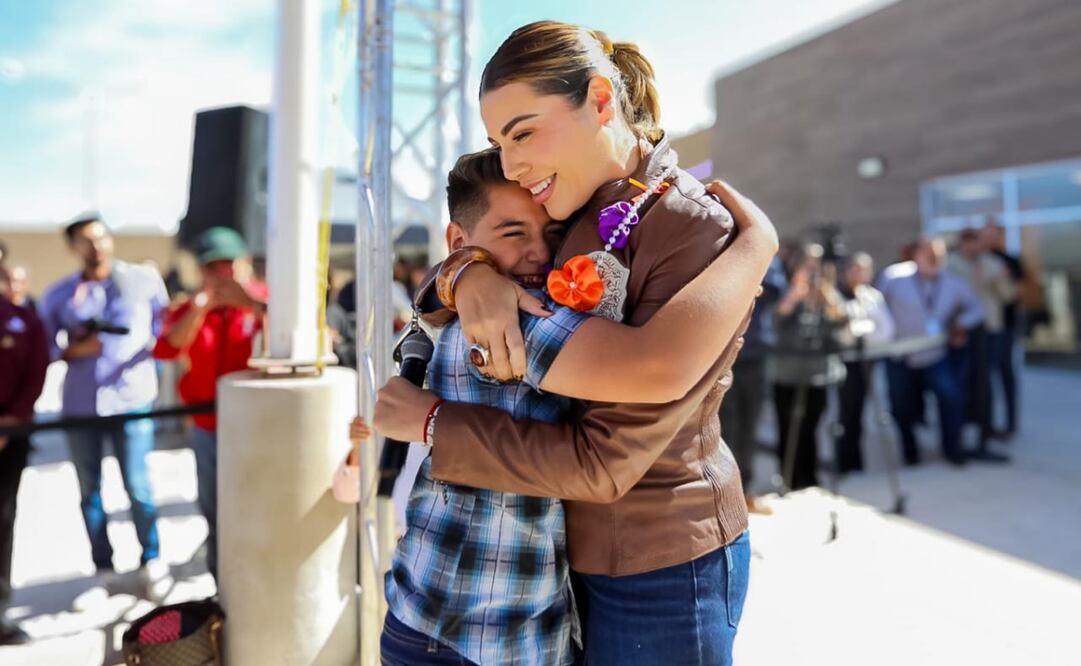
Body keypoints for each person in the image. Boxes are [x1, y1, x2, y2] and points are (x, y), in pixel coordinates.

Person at [373, 21, 772, 664]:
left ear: (601, 100)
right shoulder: (568, 204)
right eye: (499, 143)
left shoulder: (688, 224)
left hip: (662, 562)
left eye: (524, 131)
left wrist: (436, 423)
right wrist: (465, 274)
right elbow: (485, 245)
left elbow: (610, 454)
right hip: (559, 566)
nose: (512, 164)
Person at [38, 214, 172, 601]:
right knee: (89, 491)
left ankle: (152, 558)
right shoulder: (60, 294)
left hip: (132, 398)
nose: (95, 246)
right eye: (85, 240)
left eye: (100, 237)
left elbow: (165, 332)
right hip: (81, 404)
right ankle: (104, 569)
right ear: (73, 247)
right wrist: (74, 347)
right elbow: (44, 348)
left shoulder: (142, 281)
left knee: (138, 483)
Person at [153, 227, 266, 581]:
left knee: (255, 510)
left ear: (244, 264)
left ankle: (255, 581)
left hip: (255, 428)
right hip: (206, 427)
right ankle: (223, 586)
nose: (221, 274)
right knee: (215, 511)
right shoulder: (191, 308)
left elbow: (297, 339)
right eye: (211, 267)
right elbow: (167, 349)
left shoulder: (265, 300)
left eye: (227, 264)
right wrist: (199, 308)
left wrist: (250, 304)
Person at [878, 237, 985, 466]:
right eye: (929, 253)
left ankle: (952, 448)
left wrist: (961, 323)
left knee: (951, 398)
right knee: (900, 406)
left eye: (939, 254)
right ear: (916, 255)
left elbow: (977, 309)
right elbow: (876, 306)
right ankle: (910, 451)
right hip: (901, 355)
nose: (934, 259)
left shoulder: (953, 283)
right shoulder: (894, 278)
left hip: (935, 353)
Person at [771, 244, 848, 490]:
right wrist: (796, 293)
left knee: (811, 426)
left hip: (818, 373)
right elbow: (775, 321)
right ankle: (789, 477)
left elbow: (842, 322)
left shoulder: (826, 293)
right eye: (808, 265)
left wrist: (826, 295)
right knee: (788, 425)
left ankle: (810, 476)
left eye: (817, 265)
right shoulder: (784, 288)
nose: (813, 271)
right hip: (787, 373)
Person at [0, 271, 49, 645]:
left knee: (2, 520)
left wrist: (11, 423)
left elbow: (35, 371)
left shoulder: (24, 320)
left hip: (9, 437)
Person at [721, 255, 785, 513]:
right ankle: (726, 494)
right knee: (726, 426)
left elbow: (775, 289)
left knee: (750, 424)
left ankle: (746, 489)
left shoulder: (763, 251)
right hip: (725, 354)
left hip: (756, 351)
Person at [948, 229, 1014, 461]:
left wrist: (1000, 281)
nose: (972, 248)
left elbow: (1008, 296)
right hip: (964, 332)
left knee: (986, 383)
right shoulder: (951, 266)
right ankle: (965, 431)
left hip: (990, 329)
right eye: (967, 243)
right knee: (965, 383)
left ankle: (985, 432)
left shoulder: (992, 264)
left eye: (975, 243)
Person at [835, 252, 895, 473]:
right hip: (845, 363)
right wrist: (865, 328)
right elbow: (845, 333)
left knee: (860, 412)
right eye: (854, 269)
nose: (858, 274)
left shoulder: (873, 296)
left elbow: (886, 330)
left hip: (868, 361)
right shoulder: (837, 296)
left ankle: (856, 460)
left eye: (863, 269)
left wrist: (864, 330)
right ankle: (844, 462)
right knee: (846, 413)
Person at [980, 222, 1025, 438]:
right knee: (985, 377)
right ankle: (986, 423)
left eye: (992, 235)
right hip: (985, 328)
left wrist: (1001, 280)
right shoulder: (978, 261)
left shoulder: (1010, 261)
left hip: (1005, 328)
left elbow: (1016, 293)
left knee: (1006, 375)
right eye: (985, 235)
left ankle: (1010, 423)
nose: (988, 239)